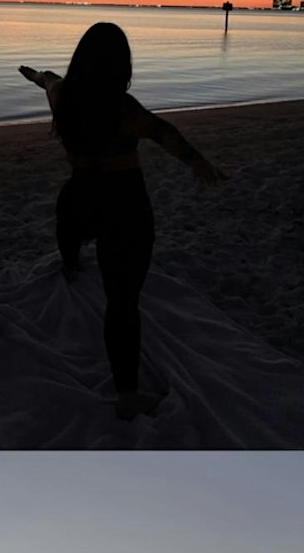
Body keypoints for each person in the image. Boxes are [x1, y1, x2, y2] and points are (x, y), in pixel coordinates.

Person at [19, 23, 223, 420]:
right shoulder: (124, 109)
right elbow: (166, 134)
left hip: (81, 198)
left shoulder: (63, 98)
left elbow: (47, 79)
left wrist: (32, 74)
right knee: (122, 302)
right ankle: (127, 395)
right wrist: (198, 162)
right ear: (121, 65)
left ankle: (70, 262)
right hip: (123, 207)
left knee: (69, 214)